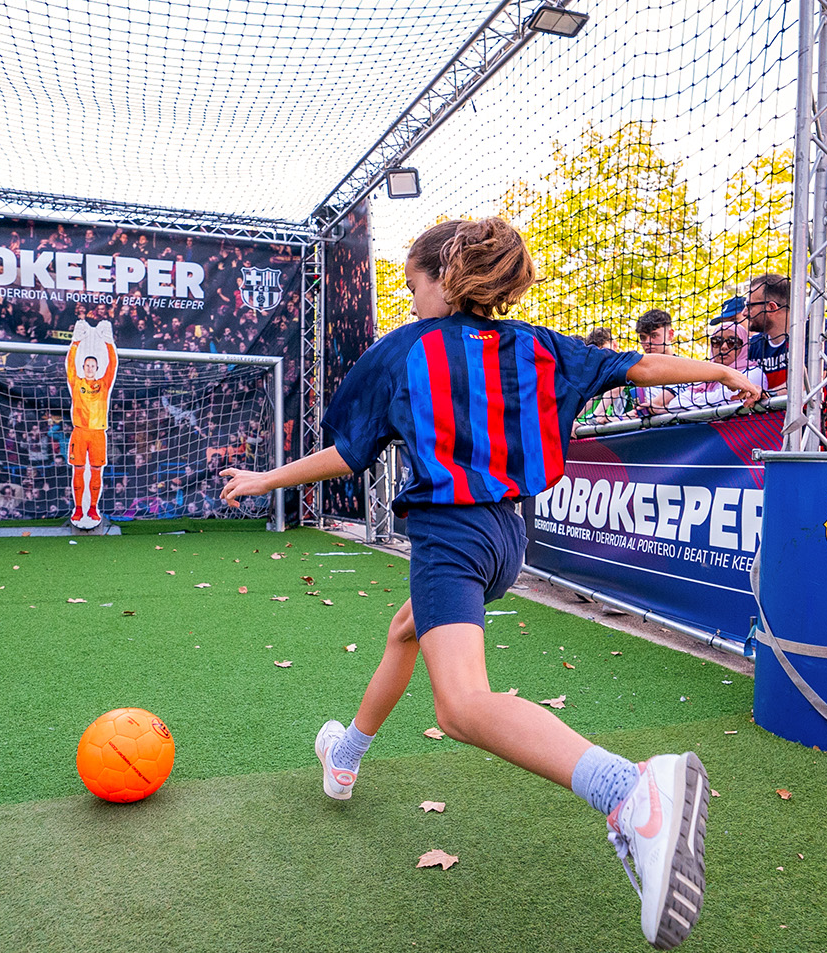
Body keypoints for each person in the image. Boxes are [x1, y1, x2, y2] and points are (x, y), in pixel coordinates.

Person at [219, 217, 760, 951]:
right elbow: (636, 368)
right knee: (405, 629)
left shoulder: (403, 352)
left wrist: (263, 479)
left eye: (412, 287)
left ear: (444, 278)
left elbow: (347, 456)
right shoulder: (537, 345)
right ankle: (344, 756)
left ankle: (631, 793)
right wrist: (721, 372)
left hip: (449, 535)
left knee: (463, 704)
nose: (411, 303)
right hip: (510, 539)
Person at [744, 272, 827, 451]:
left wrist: (766, 396)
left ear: (772, 307)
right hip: (783, 435)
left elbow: (810, 383)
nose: (744, 312)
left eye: (750, 306)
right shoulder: (756, 344)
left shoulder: (816, 330)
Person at [66, 319, 118, 528]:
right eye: (86, 365)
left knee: (96, 471)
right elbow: (70, 364)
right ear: (83, 367)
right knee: (78, 470)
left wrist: (108, 343)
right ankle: (78, 508)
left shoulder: (103, 384)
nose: (89, 368)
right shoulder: (77, 382)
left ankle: (93, 508)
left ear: (97, 368)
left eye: (92, 366)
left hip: (98, 433)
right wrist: (76, 343)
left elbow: (113, 366)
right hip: (79, 432)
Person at [633, 308, 685, 415]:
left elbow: (655, 405)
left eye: (654, 336)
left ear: (670, 335)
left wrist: (617, 420)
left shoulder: (686, 368)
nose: (647, 342)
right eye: (643, 338)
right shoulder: (639, 373)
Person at [576, 326, 633, 423]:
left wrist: (598, 413)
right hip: (610, 420)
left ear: (614, 345)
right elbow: (592, 397)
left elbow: (617, 387)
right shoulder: (600, 371)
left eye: (604, 350)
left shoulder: (624, 363)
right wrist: (575, 417)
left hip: (629, 418)